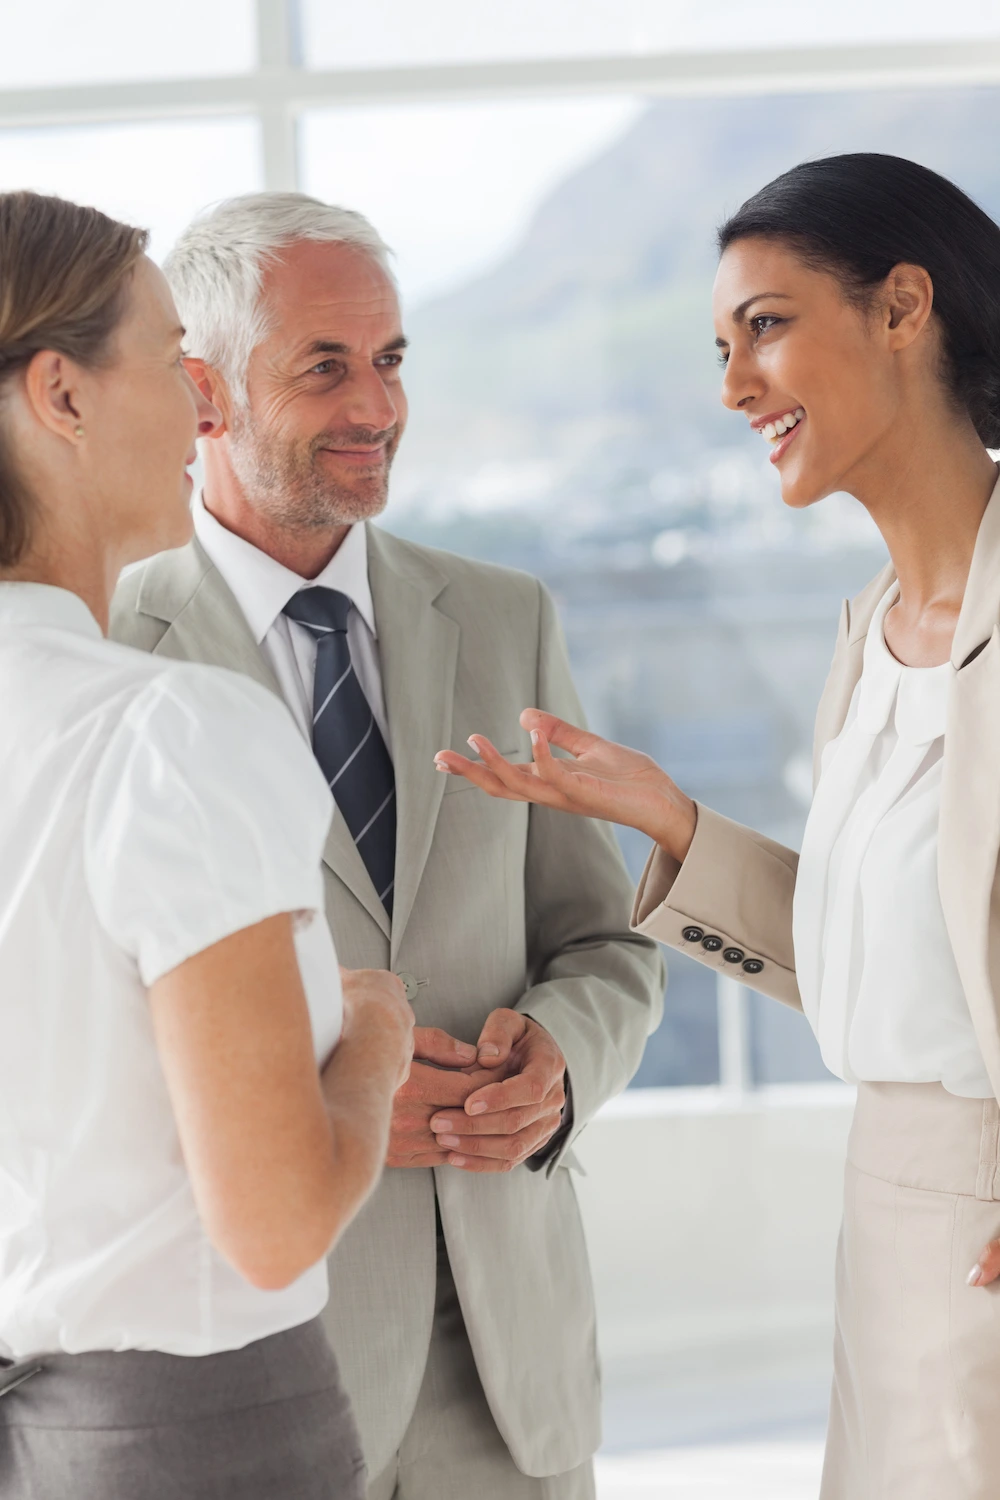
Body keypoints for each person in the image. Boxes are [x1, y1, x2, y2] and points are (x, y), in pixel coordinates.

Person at [436, 153, 1000, 1499]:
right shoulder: (872, 636)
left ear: (903, 306)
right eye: (720, 347)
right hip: (888, 1201)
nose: (736, 387)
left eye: (768, 326)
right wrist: (669, 822)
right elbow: (913, 956)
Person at [110, 191, 664, 1500]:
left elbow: (602, 936)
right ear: (202, 389)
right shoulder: (106, 652)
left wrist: (563, 1060)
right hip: (263, 1377)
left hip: (510, 1383)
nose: (378, 405)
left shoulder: (503, 616)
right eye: (326, 366)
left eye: (392, 359)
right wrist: (316, 1090)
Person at [0, 190, 414, 1500]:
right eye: (170, 356)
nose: (201, 405)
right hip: (191, 1445)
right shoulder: (171, 730)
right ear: (60, 394)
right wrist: (372, 1048)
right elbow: (277, 1220)